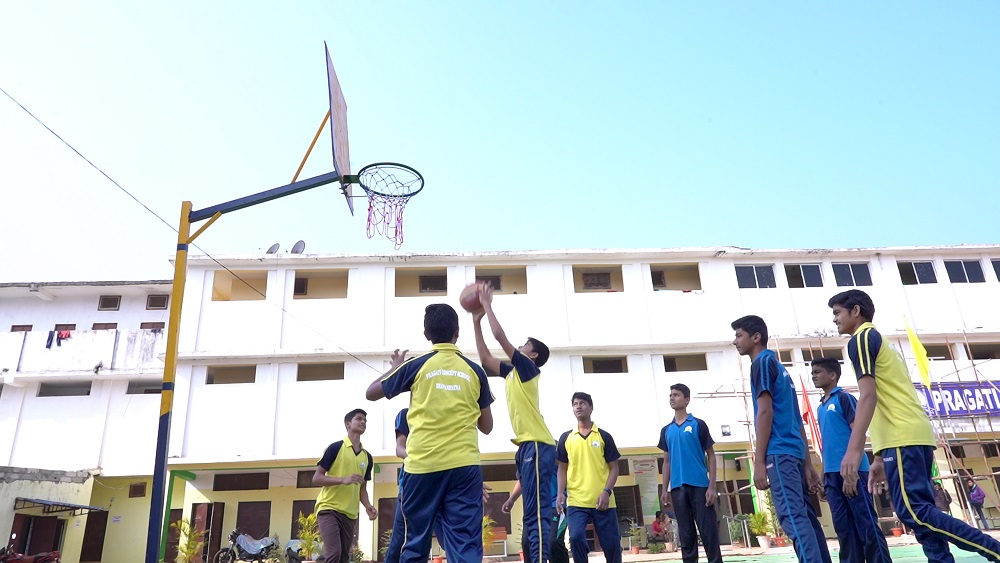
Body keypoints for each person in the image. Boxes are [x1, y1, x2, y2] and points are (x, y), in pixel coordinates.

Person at [829, 289, 1000, 562]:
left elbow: (869, 396)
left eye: (837, 313)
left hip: (903, 437)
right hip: (910, 434)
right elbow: (888, 398)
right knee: (922, 513)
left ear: (856, 311)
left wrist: (854, 449)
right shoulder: (883, 343)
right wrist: (878, 457)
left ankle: (994, 550)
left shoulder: (860, 339)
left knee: (914, 512)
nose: (835, 320)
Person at [366, 303, 495, 563]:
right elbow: (487, 426)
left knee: (415, 545)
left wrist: (396, 367)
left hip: (422, 468)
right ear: (457, 331)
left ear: (426, 335)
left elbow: (371, 393)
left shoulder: (417, 365)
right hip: (464, 468)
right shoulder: (475, 371)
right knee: (465, 544)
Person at [731, 315, 831, 563]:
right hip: (794, 453)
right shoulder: (781, 369)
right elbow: (797, 421)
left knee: (792, 518)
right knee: (805, 517)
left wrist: (758, 462)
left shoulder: (762, 363)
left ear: (756, 337)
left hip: (779, 453)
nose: (735, 341)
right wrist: (807, 464)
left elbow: (765, 411)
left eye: (739, 335)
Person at [473, 282, 556, 563]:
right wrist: (476, 322)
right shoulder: (512, 372)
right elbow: (485, 359)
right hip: (526, 447)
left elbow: (500, 336)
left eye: (525, 345)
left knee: (538, 512)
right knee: (531, 512)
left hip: (538, 444)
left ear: (532, 355)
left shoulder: (528, 368)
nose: (520, 346)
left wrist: (486, 304)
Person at [811, 358, 891, 563]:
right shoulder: (820, 407)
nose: (814, 376)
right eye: (813, 372)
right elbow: (829, 445)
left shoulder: (844, 399)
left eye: (818, 372)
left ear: (833, 375)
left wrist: (852, 472)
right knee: (844, 529)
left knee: (866, 525)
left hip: (854, 473)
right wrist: (823, 476)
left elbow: (859, 432)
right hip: (832, 475)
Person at [657, 383, 723, 563]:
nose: (672, 398)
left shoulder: (698, 425)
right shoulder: (666, 430)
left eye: (676, 395)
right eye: (670, 395)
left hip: (700, 486)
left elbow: (711, 455)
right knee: (686, 537)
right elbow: (667, 461)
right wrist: (665, 489)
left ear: (687, 400)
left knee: (708, 533)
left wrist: (712, 486)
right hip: (678, 489)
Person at [556, 392, 622, 563]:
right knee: (576, 537)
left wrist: (607, 491)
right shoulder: (566, 438)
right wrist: (560, 493)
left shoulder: (603, 436)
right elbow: (562, 468)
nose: (578, 406)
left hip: (603, 500)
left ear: (591, 407)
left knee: (612, 545)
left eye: (583, 403)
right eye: (575, 403)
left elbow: (614, 468)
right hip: (577, 501)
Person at [312, 409, 378, 563]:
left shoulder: (367, 457)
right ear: (348, 424)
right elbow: (317, 478)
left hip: (350, 514)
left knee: (343, 558)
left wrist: (368, 506)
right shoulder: (336, 448)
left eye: (365, 420)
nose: (363, 422)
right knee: (334, 553)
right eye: (359, 419)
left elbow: (362, 489)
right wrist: (343, 480)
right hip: (329, 509)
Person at [504, 475, 570, 563]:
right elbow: (522, 478)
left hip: (556, 505)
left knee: (553, 542)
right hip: (533, 508)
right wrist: (512, 499)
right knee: (527, 543)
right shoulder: (524, 460)